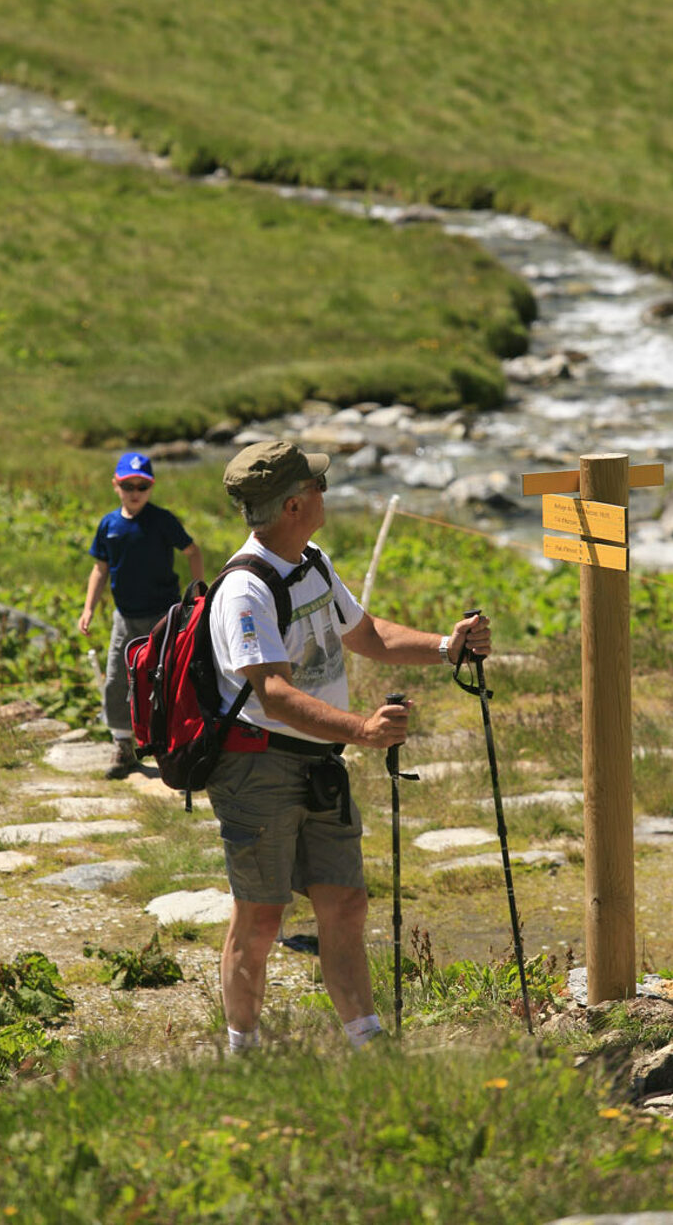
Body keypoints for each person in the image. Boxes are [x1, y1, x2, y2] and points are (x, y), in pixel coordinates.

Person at [208, 439, 492, 1052]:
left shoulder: (312, 561)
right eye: (316, 486)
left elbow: (366, 635)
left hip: (319, 762)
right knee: (259, 919)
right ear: (290, 505)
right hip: (256, 767)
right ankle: (243, 1053)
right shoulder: (244, 591)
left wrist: (449, 646)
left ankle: (369, 1046)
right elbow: (275, 694)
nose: (323, 493)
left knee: (346, 904)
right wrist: (360, 730)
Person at [79, 450, 204, 778]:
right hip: (125, 616)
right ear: (116, 485)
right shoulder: (109, 525)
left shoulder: (162, 520)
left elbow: (192, 550)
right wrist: (88, 608)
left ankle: (175, 744)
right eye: (128, 485)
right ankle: (123, 745)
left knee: (168, 678)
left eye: (142, 486)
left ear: (151, 487)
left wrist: (198, 591)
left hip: (164, 615)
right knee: (118, 679)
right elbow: (100, 568)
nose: (135, 492)